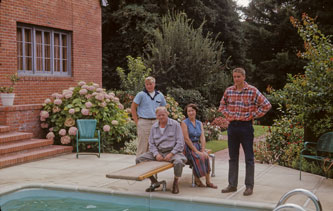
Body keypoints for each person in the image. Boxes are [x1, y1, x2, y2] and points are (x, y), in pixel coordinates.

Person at [219, 67, 271, 196]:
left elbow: (266, 105)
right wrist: (228, 115)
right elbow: (221, 106)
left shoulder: (252, 91)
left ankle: (249, 186)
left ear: (244, 77)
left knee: (249, 158)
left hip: (246, 127)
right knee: (233, 157)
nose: (236, 79)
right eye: (234, 77)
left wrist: (253, 115)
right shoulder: (229, 91)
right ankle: (232, 185)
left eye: (238, 77)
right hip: (232, 127)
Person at [136, 106, 187, 194]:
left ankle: (176, 182)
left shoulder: (175, 124)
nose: (161, 117)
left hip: (173, 152)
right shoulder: (154, 127)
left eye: (163, 115)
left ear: (167, 114)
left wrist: (171, 154)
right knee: (139, 159)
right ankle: (154, 181)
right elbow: (151, 143)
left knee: (178, 162)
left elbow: (180, 142)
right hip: (159, 151)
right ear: (156, 116)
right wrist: (156, 154)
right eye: (159, 115)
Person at [181, 104, 217, 189]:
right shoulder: (184, 123)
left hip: (197, 145)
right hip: (187, 147)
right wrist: (197, 151)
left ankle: (208, 181)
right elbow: (186, 138)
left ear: (195, 111)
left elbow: (202, 137)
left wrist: (203, 149)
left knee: (206, 156)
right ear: (187, 113)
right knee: (198, 156)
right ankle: (197, 180)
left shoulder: (199, 123)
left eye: (192, 110)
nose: (191, 112)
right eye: (189, 111)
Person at [131, 76, 167, 156]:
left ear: (154, 84)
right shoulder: (141, 94)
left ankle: (151, 166)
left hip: (156, 122)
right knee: (143, 146)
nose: (149, 86)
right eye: (147, 84)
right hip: (144, 122)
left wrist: (163, 122)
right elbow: (133, 108)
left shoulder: (160, 95)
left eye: (150, 84)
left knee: (156, 145)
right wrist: (137, 122)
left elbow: (164, 109)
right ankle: (140, 165)